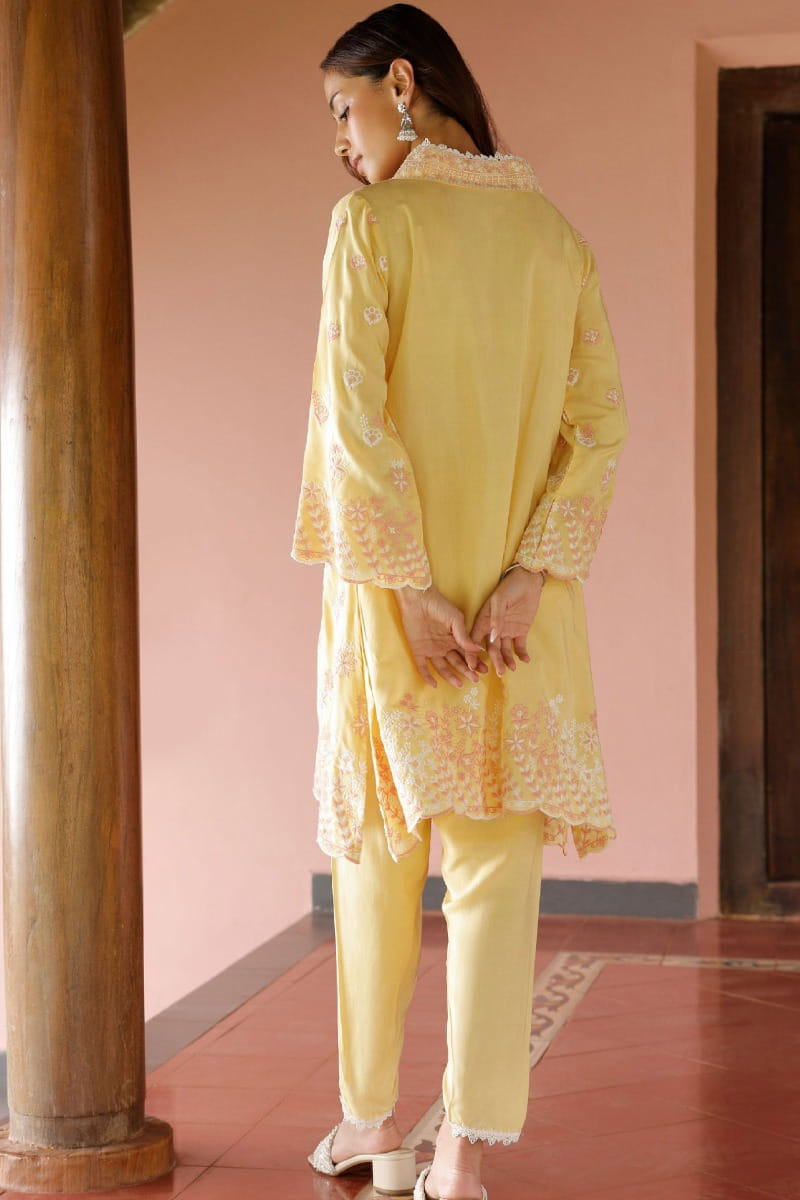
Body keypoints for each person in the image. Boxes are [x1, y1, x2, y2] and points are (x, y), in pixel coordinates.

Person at [291, 6, 629, 1198]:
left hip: (400, 610)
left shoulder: (369, 227)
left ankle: (370, 1125)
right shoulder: (554, 237)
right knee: (494, 875)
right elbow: (598, 428)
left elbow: (352, 423)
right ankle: (459, 1156)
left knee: (378, 856)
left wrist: (406, 589)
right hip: (517, 623)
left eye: (343, 108)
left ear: (400, 82)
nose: (340, 140)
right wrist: (529, 573)